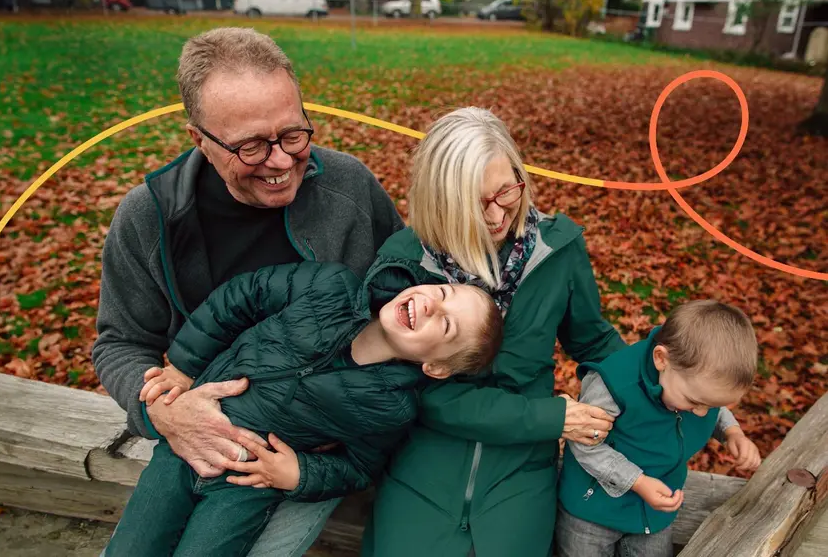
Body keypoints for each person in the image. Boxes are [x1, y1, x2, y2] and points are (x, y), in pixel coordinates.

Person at [92, 27, 404, 556]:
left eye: (294, 134)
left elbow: (406, 291)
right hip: (194, 433)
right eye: (252, 146)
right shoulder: (151, 217)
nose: (282, 162)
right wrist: (161, 412)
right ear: (199, 139)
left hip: (304, 450)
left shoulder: (349, 187)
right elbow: (119, 341)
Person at [358, 107, 628, 557]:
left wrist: (654, 396)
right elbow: (418, 393)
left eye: (507, 191)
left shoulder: (557, 249)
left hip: (521, 474)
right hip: (421, 468)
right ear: (440, 199)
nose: (497, 213)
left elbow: (593, 340)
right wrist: (549, 417)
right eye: (475, 202)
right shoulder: (404, 265)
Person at [104, 260, 504, 556]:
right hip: (183, 447)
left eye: (447, 325)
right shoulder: (330, 285)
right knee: (134, 546)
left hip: (248, 483)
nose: (434, 305)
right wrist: (184, 366)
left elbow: (359, 467)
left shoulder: (391, 405)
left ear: (434, 367)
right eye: (444, 293)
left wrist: (299, 473)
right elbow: (241, 296)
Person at [556, 300, 762, 557]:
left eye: (709, 406)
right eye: (695, 402)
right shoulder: (614, 386)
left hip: (655, 510)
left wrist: (732, 432)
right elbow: (586, 445)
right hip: (591, 508)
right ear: (661, 359)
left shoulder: (692, 386)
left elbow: (713, 405)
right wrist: (638, 482)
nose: (700, 412)